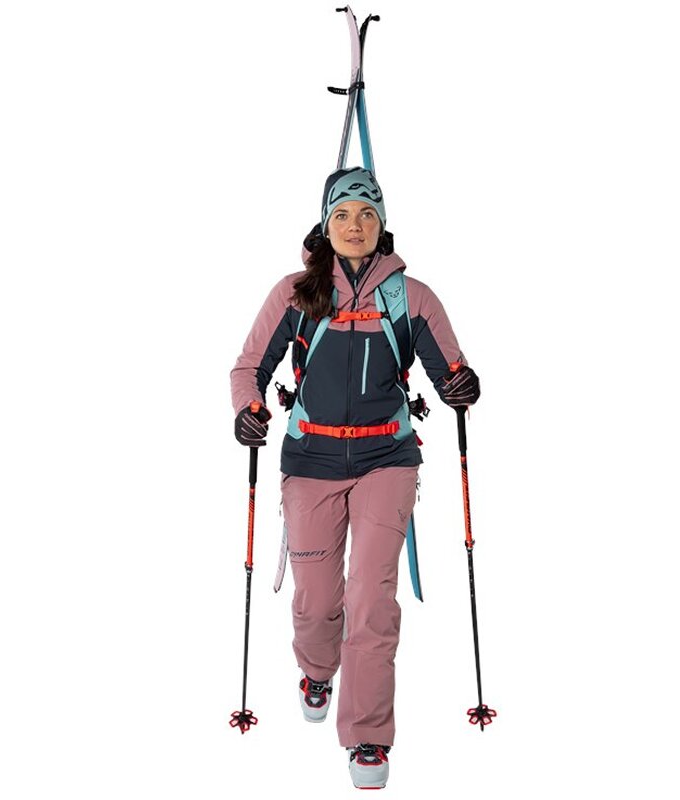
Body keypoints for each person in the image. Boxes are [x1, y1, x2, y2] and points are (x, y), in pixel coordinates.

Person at [230, 167, 480, 789]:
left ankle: (368, 735)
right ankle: (317, 670)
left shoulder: (411, 297)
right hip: (310, 461)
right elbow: (248, 367)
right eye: (342, 214)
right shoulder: (296, 293)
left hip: (386, 459)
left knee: (372, 599)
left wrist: (462, 385)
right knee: (318, 603)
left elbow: (451, 370)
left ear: (382, 224)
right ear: (326, 224)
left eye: (367, 214)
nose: (355, 225)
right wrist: (247, 411)